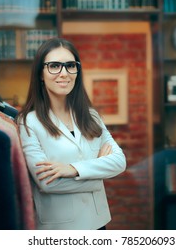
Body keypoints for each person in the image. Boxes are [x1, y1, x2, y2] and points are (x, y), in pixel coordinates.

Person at [17, 37, 126, 230]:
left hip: (98, 224)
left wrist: (72, 169)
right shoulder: (28, 122)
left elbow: (119, 162)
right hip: (60, 229)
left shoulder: (90, 116)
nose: (64, 73)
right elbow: (47, 183)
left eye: (70, 65)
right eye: (54, 66)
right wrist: (98, 175)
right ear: (41, 74)